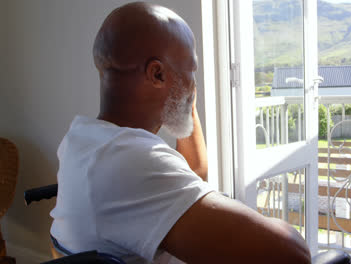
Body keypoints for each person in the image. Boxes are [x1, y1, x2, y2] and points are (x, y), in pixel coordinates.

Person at [50, 2, 311, 263]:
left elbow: (194, 170)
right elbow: (290, 253)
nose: (193, 85)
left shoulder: (82, 139)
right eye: (191, 70)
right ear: (157, 74)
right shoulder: (132, 161)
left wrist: (184, 99)